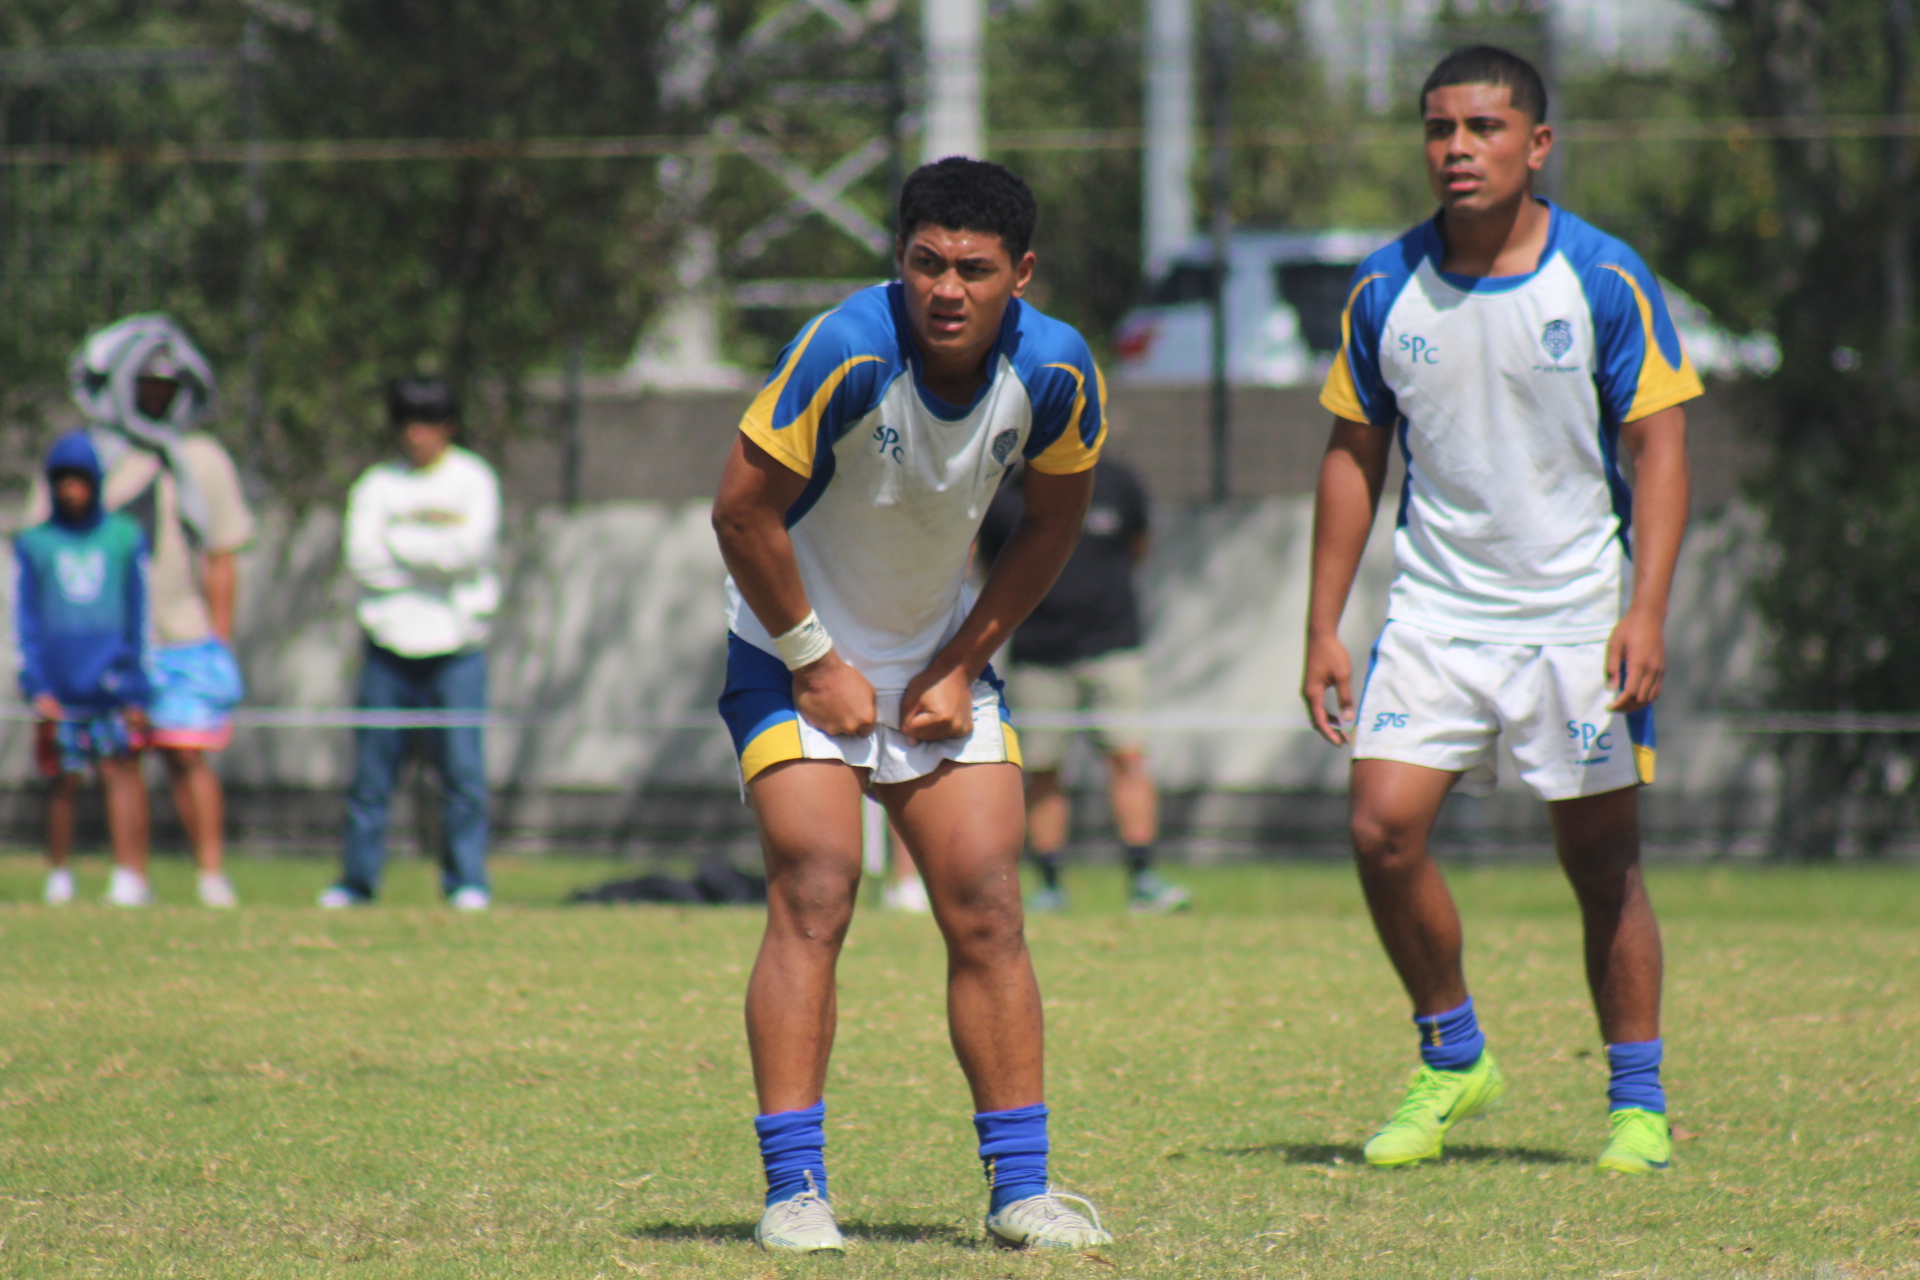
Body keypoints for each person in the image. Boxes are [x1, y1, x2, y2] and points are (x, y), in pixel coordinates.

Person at [1300, 46, 1696, 1176]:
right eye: (1439, 129)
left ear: (1538, 144)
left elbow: (1661, 448)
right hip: (1435, 614)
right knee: (1380, 830)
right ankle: (1454, 1055)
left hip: (1577, 619)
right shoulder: (1383, 285)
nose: (1458, 149)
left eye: (1483, 128)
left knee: (1602, 863)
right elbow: (1352, 455)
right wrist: (1323, 623)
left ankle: (1637, 1103)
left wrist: (1647, 608)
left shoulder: (1604, 278)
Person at [711, 157, 1113, 1253]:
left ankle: (1020, 1192)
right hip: (790, 650)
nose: (947, 289)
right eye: (927, 263)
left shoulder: (1059, 369)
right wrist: (814, 659)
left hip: (940, 658)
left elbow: (1053, 524)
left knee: (989, 899)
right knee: (817, 886)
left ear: (1020, 274)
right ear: (900, 259)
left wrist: (960, 660)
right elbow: (740, 512)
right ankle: (795, 1191)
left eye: (974, 270)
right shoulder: (846, 347)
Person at [52, 316, 253, 908]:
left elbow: (221, 553)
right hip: (108, 640)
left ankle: (210, 874)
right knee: (119, 759)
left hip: (182, 636)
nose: (158, 395)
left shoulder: (201, 459)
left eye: (168, 384)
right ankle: (130, 876)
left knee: (187, 753)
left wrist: (219, 640)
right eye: (146, 383)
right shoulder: (89, 456)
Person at [320, 377, 500, 910]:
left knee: (462, 773)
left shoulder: (473, 480)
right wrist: (435, 557)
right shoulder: (377, 485)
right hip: (387, 648)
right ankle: (357, 882)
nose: (418, 434)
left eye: (429, 423)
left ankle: (466, 882)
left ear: (449, 426)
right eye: (409, 423)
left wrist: (399, 545)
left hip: (458, 649)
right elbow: (364, 561)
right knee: (372, 777)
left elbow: (470, 552)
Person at [978, 457, 1187, 913]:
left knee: (1128, 757)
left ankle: (1143, 878)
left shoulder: (1118, 481)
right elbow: (991, 568)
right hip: (1039, 656)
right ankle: (1051, 884)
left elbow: (1139, 546)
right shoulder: (1005, 496)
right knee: (1043, 769)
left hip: (1114, 648)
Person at [16, 432, 155, 907]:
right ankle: (59, 874)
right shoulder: (36, 543)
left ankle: (129, 875)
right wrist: (35, 682)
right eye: (62, 481)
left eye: (79, 481)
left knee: (120, 773)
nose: (71, 491)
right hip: (59, 686)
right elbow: (24, 619)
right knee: (63, 778)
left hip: (111, 681)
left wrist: (137, 685)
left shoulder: (123, 538)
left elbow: (139, 615)